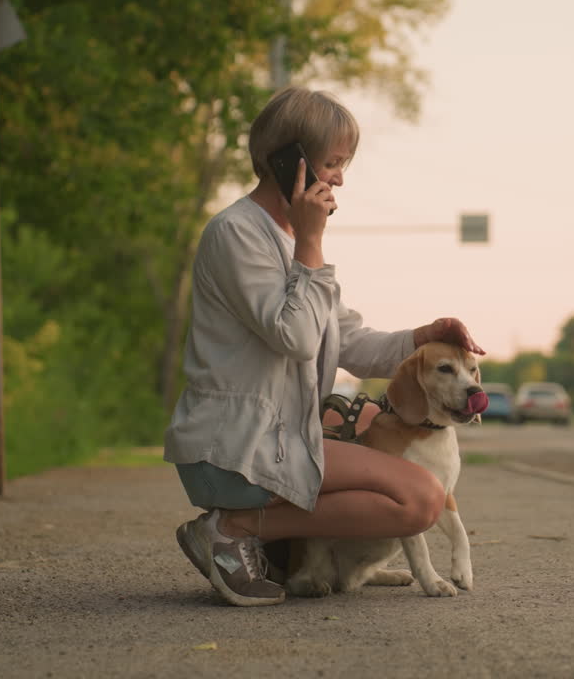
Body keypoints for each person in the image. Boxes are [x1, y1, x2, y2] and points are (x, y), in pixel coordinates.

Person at [164, 86, 484, 607]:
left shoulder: (290, 242)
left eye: (344, 163)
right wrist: (311, 247)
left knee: (385, 461)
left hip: (279, 442)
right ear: (288, 160)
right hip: (233, 451)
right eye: (332, 163)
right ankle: (232, 528)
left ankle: (269, 540)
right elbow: (295, 337)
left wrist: (421, 337)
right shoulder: (236, 234)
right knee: (420, 497)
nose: (339, 178)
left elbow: (350, 340)